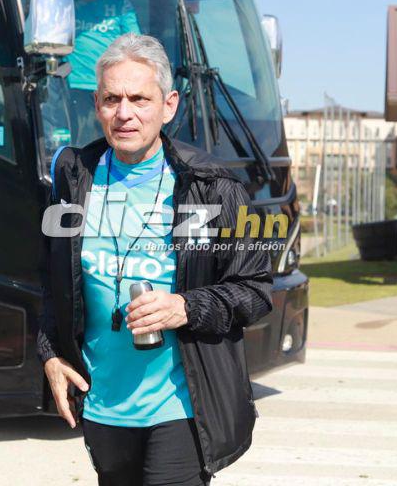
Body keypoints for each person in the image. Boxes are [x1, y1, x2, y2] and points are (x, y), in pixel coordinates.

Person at [39, 33, 273, 485]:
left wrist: (184, 307)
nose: (124, 113)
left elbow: (256, 289)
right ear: (97, 104)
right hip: (104, 404)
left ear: (168, 105)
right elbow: (49, 279)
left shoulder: (208, 186)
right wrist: (50, 353)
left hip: (181, 408)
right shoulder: (73, 177)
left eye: (139, 99)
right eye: (111, 99)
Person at [47, 0, 142, 147]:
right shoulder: (66, 2)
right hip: (74, 83)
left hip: (111, 85)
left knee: (113, 136)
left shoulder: (120, 3)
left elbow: (134, 43)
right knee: (84, 137)